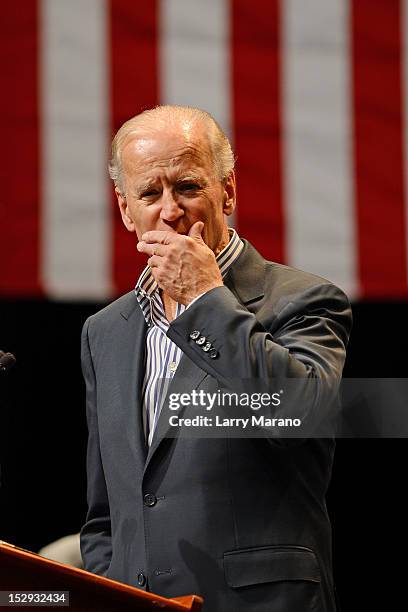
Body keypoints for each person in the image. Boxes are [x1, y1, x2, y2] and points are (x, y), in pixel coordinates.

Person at [80, 105, 352, 611]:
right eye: (148, 193)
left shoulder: (306, 300)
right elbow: (106, 512)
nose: (169, 210)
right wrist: (109, 589)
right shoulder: (104, 333)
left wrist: (206, 298)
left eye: (186, 187)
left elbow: (302, 415)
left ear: (227, 191)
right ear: (124, 209)